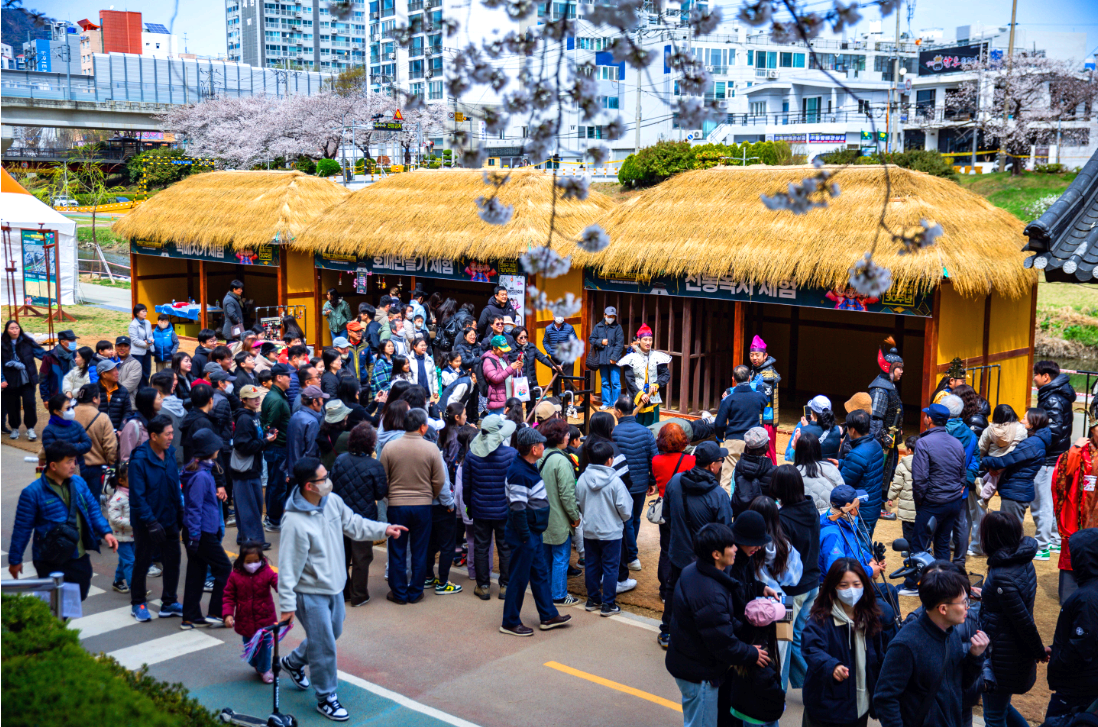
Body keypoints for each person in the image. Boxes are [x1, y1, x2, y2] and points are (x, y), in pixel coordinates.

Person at [277, 457, 406, 721]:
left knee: (332, 631)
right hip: (309, 592)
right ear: (308, 486)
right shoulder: (293, 522)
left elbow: (354, 524)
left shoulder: (332, 501)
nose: (328, 481)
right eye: (323, 478)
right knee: (325, 644)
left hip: (335, 585)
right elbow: (288, 567)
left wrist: (384, 528)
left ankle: (293, 662)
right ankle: (326, 698)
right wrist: (288, 605)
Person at [665, 520, 776, 727]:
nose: (736, 549)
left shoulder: (697, 571)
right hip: (699, 674)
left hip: (690, 662)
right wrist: (752, 653)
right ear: (716, 554)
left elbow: (721, 621)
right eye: (731, 546)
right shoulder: (710, 593)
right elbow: (722, 641)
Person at [873, 568, 989, 727]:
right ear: (943, 609)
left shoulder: (951, 633)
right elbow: (884, 699)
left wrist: (975, 656)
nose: (968, 606)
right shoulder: (905, 644)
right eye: (963, 602)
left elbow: (961, 684)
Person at [8, 441, 119, 600]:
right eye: (68, 462)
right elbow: (22, 529)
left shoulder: (79, 483)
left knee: (78, 594)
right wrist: (15, 560)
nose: (73, 465)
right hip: (50, 559)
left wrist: (106, 532)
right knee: (55, 603)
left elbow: (93, 509)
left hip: (77, 555)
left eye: (74, 460)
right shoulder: (32, 493)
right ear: (53, 466)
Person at [658, 441, 736, 648]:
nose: (721, 465)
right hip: (705, 560)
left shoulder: (675, 482)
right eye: (720, 461)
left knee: (673, 588)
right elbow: (725, 532)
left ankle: (666, 631)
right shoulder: (719, 495)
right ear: (712, 465)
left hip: (678, 552)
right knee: (704, 597)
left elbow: (666, 516)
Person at [976, 511, 1047, 727]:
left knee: (994, 715)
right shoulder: (1022, 559)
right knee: (1002, 707)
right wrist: (984, 595)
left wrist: (1039, 652)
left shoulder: (1001, 576)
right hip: (1011, 651)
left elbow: (1022, 620)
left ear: (992, 538)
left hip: (1002, 656)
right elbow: (1013, 604)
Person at [499, 426, 572, 636]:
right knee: (518, 579)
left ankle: (548, 615)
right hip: (525, 535)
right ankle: (510, 622)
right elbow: (517, 509)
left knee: (539, 574)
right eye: (540, 444)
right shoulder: (519, 473)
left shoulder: (527, 466)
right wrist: (525, 537)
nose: (543, 446)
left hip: (532, 533)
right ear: (533, 449)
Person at [801, 558, 886, 727]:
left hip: (860, 709)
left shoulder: (872, 618)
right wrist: (831, 666)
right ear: (833, 587)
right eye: (844, 585)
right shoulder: (820, 620)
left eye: (856, 584)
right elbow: (812, 649)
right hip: (826, 712)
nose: (851, 590)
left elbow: (879, 658)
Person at [379, 407, 446, 604]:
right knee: (419, 549)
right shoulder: (431, 448)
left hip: (397, 505)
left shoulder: (390, 448)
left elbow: (384, 479)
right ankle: (416, 591)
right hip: (423, 505)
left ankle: (398, 592)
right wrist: (429, 495)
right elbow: (439, 480)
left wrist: (390, 495)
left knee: (397, 549)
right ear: (423, 427)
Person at [127, 415, 184, 621]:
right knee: (142, 562)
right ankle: (138, 603)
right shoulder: (139, 460)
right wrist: (150, 522)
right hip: (147, 524)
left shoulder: (169, 454)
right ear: (153, 436)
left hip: (170, 519)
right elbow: (137, 497)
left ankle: (168, 602)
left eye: (172, 432)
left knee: (173, 561)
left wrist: (180, 512)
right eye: (167, 434)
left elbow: (174, 485)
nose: (171, 437)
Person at [771, 465, 822, 691]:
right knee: (798, 635)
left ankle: (780, 690)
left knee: (784, 639)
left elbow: (782, 560)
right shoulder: (812, 509)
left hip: (791, 594)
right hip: (812, 586)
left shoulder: (783, 520)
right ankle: (811, 683)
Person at [330, 422, 387, 607]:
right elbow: (380, 493)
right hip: (364, 518)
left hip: (341, 516)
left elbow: (333, 485)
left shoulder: (340, 460)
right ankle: (359, 594)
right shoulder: (375, 465)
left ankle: (344, 591)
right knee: (362, 557)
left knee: (343, 556)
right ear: (371, 443)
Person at [1045, 528, 1098, 722]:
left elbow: (1082, 644)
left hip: (1076, 688)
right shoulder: (1089, 590)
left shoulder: (1087, 597)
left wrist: (1059, 662)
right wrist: (1057, 648)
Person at [981, 408, 1052, 552]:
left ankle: (1012, 558)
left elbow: (1005, 460)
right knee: (1012, 530)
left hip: (1016, 491)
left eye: (1025, 418)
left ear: (1033, 423)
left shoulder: (1033, 443)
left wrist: (984, 460)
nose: (1021, 421)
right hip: (1016, 490)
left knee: (1010, 532)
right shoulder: (1034, 441)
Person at [180, 429, 232, 629]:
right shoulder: (201, 476)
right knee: (225, 568)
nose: (219, 449)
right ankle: (215, 612)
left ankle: (190, 617)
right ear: (210, 450)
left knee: (197, 572)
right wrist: (194, 536)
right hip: (201, 533)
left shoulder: (202, 470)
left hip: (199, 532)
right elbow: (194, 508)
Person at [575, 437, 632, 615]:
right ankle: (608, 603)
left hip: (590, 529)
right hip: (611, 532)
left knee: (592, 564)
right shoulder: (615, 481)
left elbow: (578, 502)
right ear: (609, 460)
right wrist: (621, 519)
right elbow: (625, 509)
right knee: (610, 567)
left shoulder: (583, 478)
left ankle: (593, 599)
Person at [465, 415, 518, 599]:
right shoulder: (511, 454)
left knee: (481, 547)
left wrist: (469, 506)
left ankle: (483, 586)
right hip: (504, 509)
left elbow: (467, 486)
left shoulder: (472, 455)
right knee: (505, 547)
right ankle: (505, 586)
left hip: (480, 509)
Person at [1033, 360, 1077, 561]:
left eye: (1036, 374)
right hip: (1057, 454)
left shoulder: (1052, 399)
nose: (1034, 378)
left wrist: (1035, 442)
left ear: (1046, 377)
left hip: (1049, 457)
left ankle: (1042, 546)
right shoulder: (1058, 393)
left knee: (1043, 502)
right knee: (1050, 500)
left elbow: (1054, 429)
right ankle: (1053, 540)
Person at [971, 405, 1027, 556]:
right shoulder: (1020, 429)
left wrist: (986, 460)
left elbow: (981, 447)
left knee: (991, 478)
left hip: (993, 461)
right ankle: (985, 494)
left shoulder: (990, 430)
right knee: (994, 480)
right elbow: (1023, 447)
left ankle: (984, 495)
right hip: (1010, 464)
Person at [1052, 423, 1098, 603]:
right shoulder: (1082, 450)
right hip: (1078, 512)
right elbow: (1065, 472)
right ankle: (1069, 595)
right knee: (1074, 551)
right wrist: (1075, 449)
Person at [536, 418, 580, 605]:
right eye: (566, 433)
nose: (569, 436)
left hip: (542, 517)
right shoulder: (561, 461)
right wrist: (575, 517)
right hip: (559, 518)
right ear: (560, 437)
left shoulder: (541, 456)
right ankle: (559, 595)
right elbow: (567, 495)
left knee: (546, 558)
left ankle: (547, 592)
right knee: (561, 558)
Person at [612, 393, 658, 572]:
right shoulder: (646, 432)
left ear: (618, 412)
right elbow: (654, 459)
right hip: (640, 483)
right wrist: (652, 480)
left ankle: (630, 555)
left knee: (625, 520)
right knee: (634, 518)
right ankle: (631, 553)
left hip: (620, 483)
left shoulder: (614, 432)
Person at [652, 422, 696, 607]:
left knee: (665, 548)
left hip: (665, 509)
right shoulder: (691, 461)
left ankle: (664, 587)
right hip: (686, 509)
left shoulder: (656, 461)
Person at [222, 542, 280, 683]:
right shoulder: (235, 576)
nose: (253, 564)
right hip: (245, 620)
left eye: (256, 561)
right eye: (249, 562)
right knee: (250, 647)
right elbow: (228, 596)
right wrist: (228, 614)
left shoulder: (266, 571)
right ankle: (256, 664)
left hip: (265, 618)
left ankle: (265, 669)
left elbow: (276, 581)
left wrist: (286, 590)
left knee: (266, 645)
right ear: (242, 561)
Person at [232, 385, 277, 547]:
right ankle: (253, 541)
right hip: (246, 470)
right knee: (250, 507)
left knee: (250, 506)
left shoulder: (252, 416)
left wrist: (266, 435)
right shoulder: (245, 419)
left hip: (251, 468)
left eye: (258, 397)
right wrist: (265, 441)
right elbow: (242, 445)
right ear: (243, 400)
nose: (257, 400)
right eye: (252, 398)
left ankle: (245, 537)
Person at [715, 365, 769, 490]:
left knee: (727, 477)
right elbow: (764, 399)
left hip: (733, 440)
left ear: (733, 379)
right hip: (753, 443)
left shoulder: (728, 400)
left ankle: (727, 507)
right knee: (754, 475)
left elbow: (719, 423)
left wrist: (720, 436)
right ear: (749, 378)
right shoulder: (757, 397)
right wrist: (760, 386)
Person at [941, 394, 980, 564]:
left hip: (938, 488)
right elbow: (974, 461)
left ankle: (937, 561)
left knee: (935, 523)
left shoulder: (938, 431)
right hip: (960, 489)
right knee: (961, 525)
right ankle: (959, 561)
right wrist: (966, 481)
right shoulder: (971, 435)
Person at [819, 485, 884, 581]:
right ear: (852, 509)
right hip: (838, 590)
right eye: (858, 504)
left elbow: (854, 548)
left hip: (853, 581)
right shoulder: (832, 535)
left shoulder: (843, 521)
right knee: (890, 591)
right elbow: (838, 573)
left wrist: (870, 559)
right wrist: (870, 571)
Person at [868, 336, 905, 501]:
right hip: (883, 443)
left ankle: (881, 502)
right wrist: (884, 436)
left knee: (888, 473)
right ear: (889, 368)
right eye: (899, 368)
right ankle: (878, 503)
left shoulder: (890, 386)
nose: (902, 371)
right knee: (881, 474)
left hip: (891, 440)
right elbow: (875, 418)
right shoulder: (880, 389)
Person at [839, 410, 885, 536]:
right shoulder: (875, 444)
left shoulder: (857, 454)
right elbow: (864, 470)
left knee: (860, 552)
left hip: (861, 513)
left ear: (852, 430)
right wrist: (842, 463)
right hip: (873, 508)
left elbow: (843, 482)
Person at [261, 363, 293, 532]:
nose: (291, 378)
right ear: (279, 378)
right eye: (288, 375)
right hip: (277, 448)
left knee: (278, 485)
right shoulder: (276, 399)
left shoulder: (278, 396)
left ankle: (274, 518)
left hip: (278, 448)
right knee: (277, 486)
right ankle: (273, 520)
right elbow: (270, 426)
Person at [618, 324, 671, 426]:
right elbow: (629, 380)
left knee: (653, 428)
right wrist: (640, 394)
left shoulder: (657, 356)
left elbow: (665, 374)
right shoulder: (631, 358)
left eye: (650, 340)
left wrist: (657, 384)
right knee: (635, 428)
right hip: (636, 398)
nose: (648, 342)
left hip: (653, 399)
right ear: (639, 340)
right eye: (645, 339)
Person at [72, 383, 117, 500]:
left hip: (72, 465)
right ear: (94, 399)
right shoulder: (102, 418)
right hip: (95, 469)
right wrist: (112, 464)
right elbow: (110, 447)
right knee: (93, 504)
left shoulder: (70, 415)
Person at [3, 319, 44, 440]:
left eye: (16, 328)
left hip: (27, 379)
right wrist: (2, 379)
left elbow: (42, 354)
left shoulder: (27, 341)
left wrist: (55, 357)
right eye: (11, 328)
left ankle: (30, 428)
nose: (15, 330)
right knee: (12, 405)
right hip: (10, 380)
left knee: (30, 403)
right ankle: (14, 428)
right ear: (6, 330)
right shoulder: (2, 344)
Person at [747, 335, 782, 463]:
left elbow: (761, 397)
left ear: (765, 355)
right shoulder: (755, 370)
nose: (754, 358)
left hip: (766, 417)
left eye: (757, 355)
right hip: (759, 415)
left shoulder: (767, 374)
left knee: (767, 450)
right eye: (752, 355)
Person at [796, 431, 845, 513]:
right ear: (818, 449)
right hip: (831, 516)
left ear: (798, 451)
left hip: (807, 518)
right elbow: (843, 491)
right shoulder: (831, 468)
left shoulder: (795, 473)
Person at [732, 427, 775, 518]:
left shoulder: (738, 467)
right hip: (764, 521)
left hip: (741, 518)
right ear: (766, 446)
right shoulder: (774, 471)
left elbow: (733, 492)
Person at [41, 393, 92, 467]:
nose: (71, 410)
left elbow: (88, 444)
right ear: (56, 411)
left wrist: (64, 448)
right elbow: (52, 453)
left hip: (80, 469)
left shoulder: (76, 424)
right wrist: (76, 447)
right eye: (67, 408)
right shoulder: (49, 431)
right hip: (59, 472)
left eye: (71, 407)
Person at [589, 307, 624, 410]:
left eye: (613, 316)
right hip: (602, 359)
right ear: (604, 315)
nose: (611, 318)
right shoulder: (598, 327)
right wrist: (600, 342)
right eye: (609, 316)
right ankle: (606, 402)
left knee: (616, 383)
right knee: (605, 382)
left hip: (614, 360)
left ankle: (616, 403)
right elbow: (592, 339)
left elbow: (619, 344)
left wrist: (614, 357)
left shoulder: (618, 328)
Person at [288, 385, 327, 477]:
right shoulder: (312, 422)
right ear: (314, 402)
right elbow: (311, 453)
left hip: (293, 470)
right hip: (304, 474)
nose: (322, 403)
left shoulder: (295, 416)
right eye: (321, 400)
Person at [108, 462, 135, 593]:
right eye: (132, 476)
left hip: (132, 535)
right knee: (130, 561)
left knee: (124, 561)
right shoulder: (118, 498)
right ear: (121, 480)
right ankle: (135, 588)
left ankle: (117, 581)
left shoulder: (132, 494)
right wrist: (133, 522)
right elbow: (114, 518)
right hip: (121, 537)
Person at [887, 436, 919, 545]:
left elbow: (897, 485)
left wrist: (891, 497)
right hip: (920, 504)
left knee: (908, 529)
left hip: (907, 505)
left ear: (909, 450)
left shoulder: (902, 465)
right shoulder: (925, 463)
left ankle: (908, 549)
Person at [119, 387, 162, 462]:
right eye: (159, 398)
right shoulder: (132, 425)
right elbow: (126, 458)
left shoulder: (158, 420)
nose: (162, 401)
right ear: (149, 402)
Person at [481, 335, 520, 416]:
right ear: (494, 348)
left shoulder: (504, 358)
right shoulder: (488, 360)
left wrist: (518, 369)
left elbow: (510, 374)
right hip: (497, 401)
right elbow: (495, 378)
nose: (503, 352)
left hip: (508, 398)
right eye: (501, 350)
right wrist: (510, 368)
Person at [39, 329, 77, 403]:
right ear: (62, 342)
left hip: (74, 396)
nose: (74, 343)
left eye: (74, 340)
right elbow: (43, 378)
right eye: (71, 340)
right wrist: (45, 398)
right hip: (57, 397)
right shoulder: (50, 357)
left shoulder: (77, 355)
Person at [542, 315, 577, 394]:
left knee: (568, 380)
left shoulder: (569, 328)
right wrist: (550, 351)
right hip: (555, 358)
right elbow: (545, 342)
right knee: (556, 380)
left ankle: (569, 400)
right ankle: (557, 399)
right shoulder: (548, 328)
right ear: (553, 316)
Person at [95, 358, 132, 431]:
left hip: (117, 433)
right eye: (114, 370)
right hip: (97, 433)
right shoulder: (93, 391)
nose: (117, 373)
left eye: (116, 369)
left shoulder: (123, 391)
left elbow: (127, 412)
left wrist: (121, 429)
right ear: (104, 374)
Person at [114, 336, 143, 409]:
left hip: (128, 404)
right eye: (119, 346)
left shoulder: (135, 364)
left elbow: (130, 384)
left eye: (125, 346)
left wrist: (111, 392)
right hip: (110, 405)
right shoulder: (109, 362)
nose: (122, 348)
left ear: (130, 348)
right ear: (115, 347)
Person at [409, 336, 438, 402]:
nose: (424, 347)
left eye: (425, 345)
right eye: (421, 345)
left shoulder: (429, 359)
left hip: (427, 391)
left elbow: (434, 375)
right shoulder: (409, 360)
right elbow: (408, 376)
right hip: (414, 392)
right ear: (415, 347)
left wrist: (435, 390)